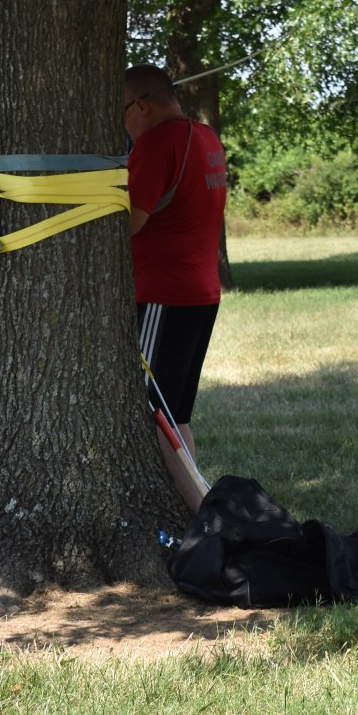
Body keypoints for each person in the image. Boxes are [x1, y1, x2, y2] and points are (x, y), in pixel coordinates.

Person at [124, 64, 228, 513]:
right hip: (201, 292)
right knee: (176, 411)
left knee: (155, 414)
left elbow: (130, 220)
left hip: (162, 295)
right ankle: (196, 502)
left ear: (140, 106)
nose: (124, 129)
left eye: (121, 115)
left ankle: (200, 513)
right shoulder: (206, 137)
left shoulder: (157, 143)